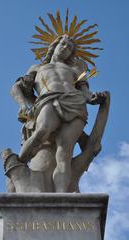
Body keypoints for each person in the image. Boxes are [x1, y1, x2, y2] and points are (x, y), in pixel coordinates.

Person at [11, 35, 106, 192]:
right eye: (63, 44)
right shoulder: (37, 68)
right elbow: (15, 88)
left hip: (75, 103)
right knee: (42, 131)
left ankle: (61, 194)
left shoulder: (75, 70)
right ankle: (18, 164)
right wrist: (22, 105)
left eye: (69, 48)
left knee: (65, 151)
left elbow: (86, 93)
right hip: (48, 100)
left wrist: (94, 98)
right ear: (54, 46)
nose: (65, 48)